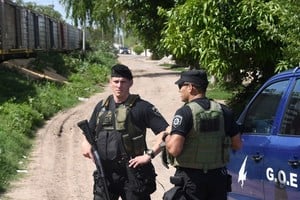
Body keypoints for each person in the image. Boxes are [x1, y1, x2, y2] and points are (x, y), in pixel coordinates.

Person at [81, 64, 169, 200]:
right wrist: (86, 144)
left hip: (133, 173)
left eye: (123, 82)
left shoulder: (142, 107)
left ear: (131, 83)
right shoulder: (101, 107)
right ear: (110, 82)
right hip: (106, 173)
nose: (119, 85)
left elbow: (166, 131)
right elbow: (89, 133)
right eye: (116, 81)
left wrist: (149, 155)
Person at [162, 70, 243, 200]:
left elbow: (174, 149)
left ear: (190, 87)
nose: (179, 90)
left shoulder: (185, 112)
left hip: (191, 180)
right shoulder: (224, 111)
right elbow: (237, 144)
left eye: (181, 86)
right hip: (218, 178)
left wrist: (166, 136)